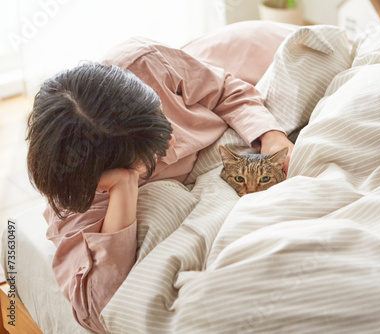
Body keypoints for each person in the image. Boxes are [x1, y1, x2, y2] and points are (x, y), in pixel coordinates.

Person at [26, 37, 294, 333]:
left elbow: (224, 89)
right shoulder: (79, 198)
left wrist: (270, 135)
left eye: (161, 123)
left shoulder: (144, 64)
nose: (171, 141)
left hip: (230, 117)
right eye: (151, 152)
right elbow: (97, 310)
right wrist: (124, 187)